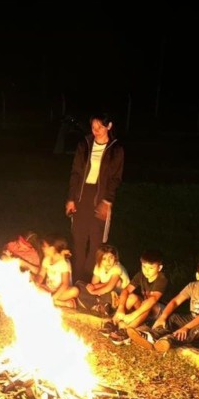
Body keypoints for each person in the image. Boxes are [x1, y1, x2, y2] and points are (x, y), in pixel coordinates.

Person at [64, 113, 124, 282]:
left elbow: (115, 178)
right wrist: (71, 198)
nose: (96, 130)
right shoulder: (85, 144)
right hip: (82, 196)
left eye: (100, 127)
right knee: (79, 241)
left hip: (100, 198)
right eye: (93, 127)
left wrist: (107, 201)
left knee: (96, 244)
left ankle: (90, 280)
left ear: (109, 126)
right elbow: (76, 173)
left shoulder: (116, 149)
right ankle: (77, 281)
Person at [146, 258, 199, 353]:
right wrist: (162, 317)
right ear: (198, 276)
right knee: (173, 317)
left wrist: (186, 327)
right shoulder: (192, 286)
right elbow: (175, 301)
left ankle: (170, 340)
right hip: (195, 319)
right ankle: (153, 334)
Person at [105, 250, 168, 346]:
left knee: (147, 303)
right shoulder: (141, 275)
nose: (146, 271)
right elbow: (126, 290)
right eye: (144, 266)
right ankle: (114, 322)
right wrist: (121, 308)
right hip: (145, 310)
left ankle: (125, 331)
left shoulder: (162, 279)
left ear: (159, 268)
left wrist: (133, 315)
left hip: (159, 314)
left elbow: (153, 299)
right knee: (132, 297)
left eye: (151, 268)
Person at [75, 243, 130, 317]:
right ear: (100, 259)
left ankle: (102, 306)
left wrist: (93, 292)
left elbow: (109, 287)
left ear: (115, 257)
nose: (108, 261)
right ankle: (99, 305)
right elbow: (94, 284)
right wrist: (93, 289)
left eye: (111, 257)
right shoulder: (98, 267)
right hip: (104, 292)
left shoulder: (117, 268)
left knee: (109, 294)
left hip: (119, 296)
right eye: (104, 259)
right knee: (80, 285)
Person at [34, 233, 79, 309]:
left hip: (61, 292)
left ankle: (53, 301)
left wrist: (54, 297)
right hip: (48, 289)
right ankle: (62, 303)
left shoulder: (63, 264)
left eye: (44, 246)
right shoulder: (46, 260)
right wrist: (37, 282)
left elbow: (64, 284)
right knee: (33, 284)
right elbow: (41, 274)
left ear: (52, 248)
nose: (42, 248)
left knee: (75, 291)